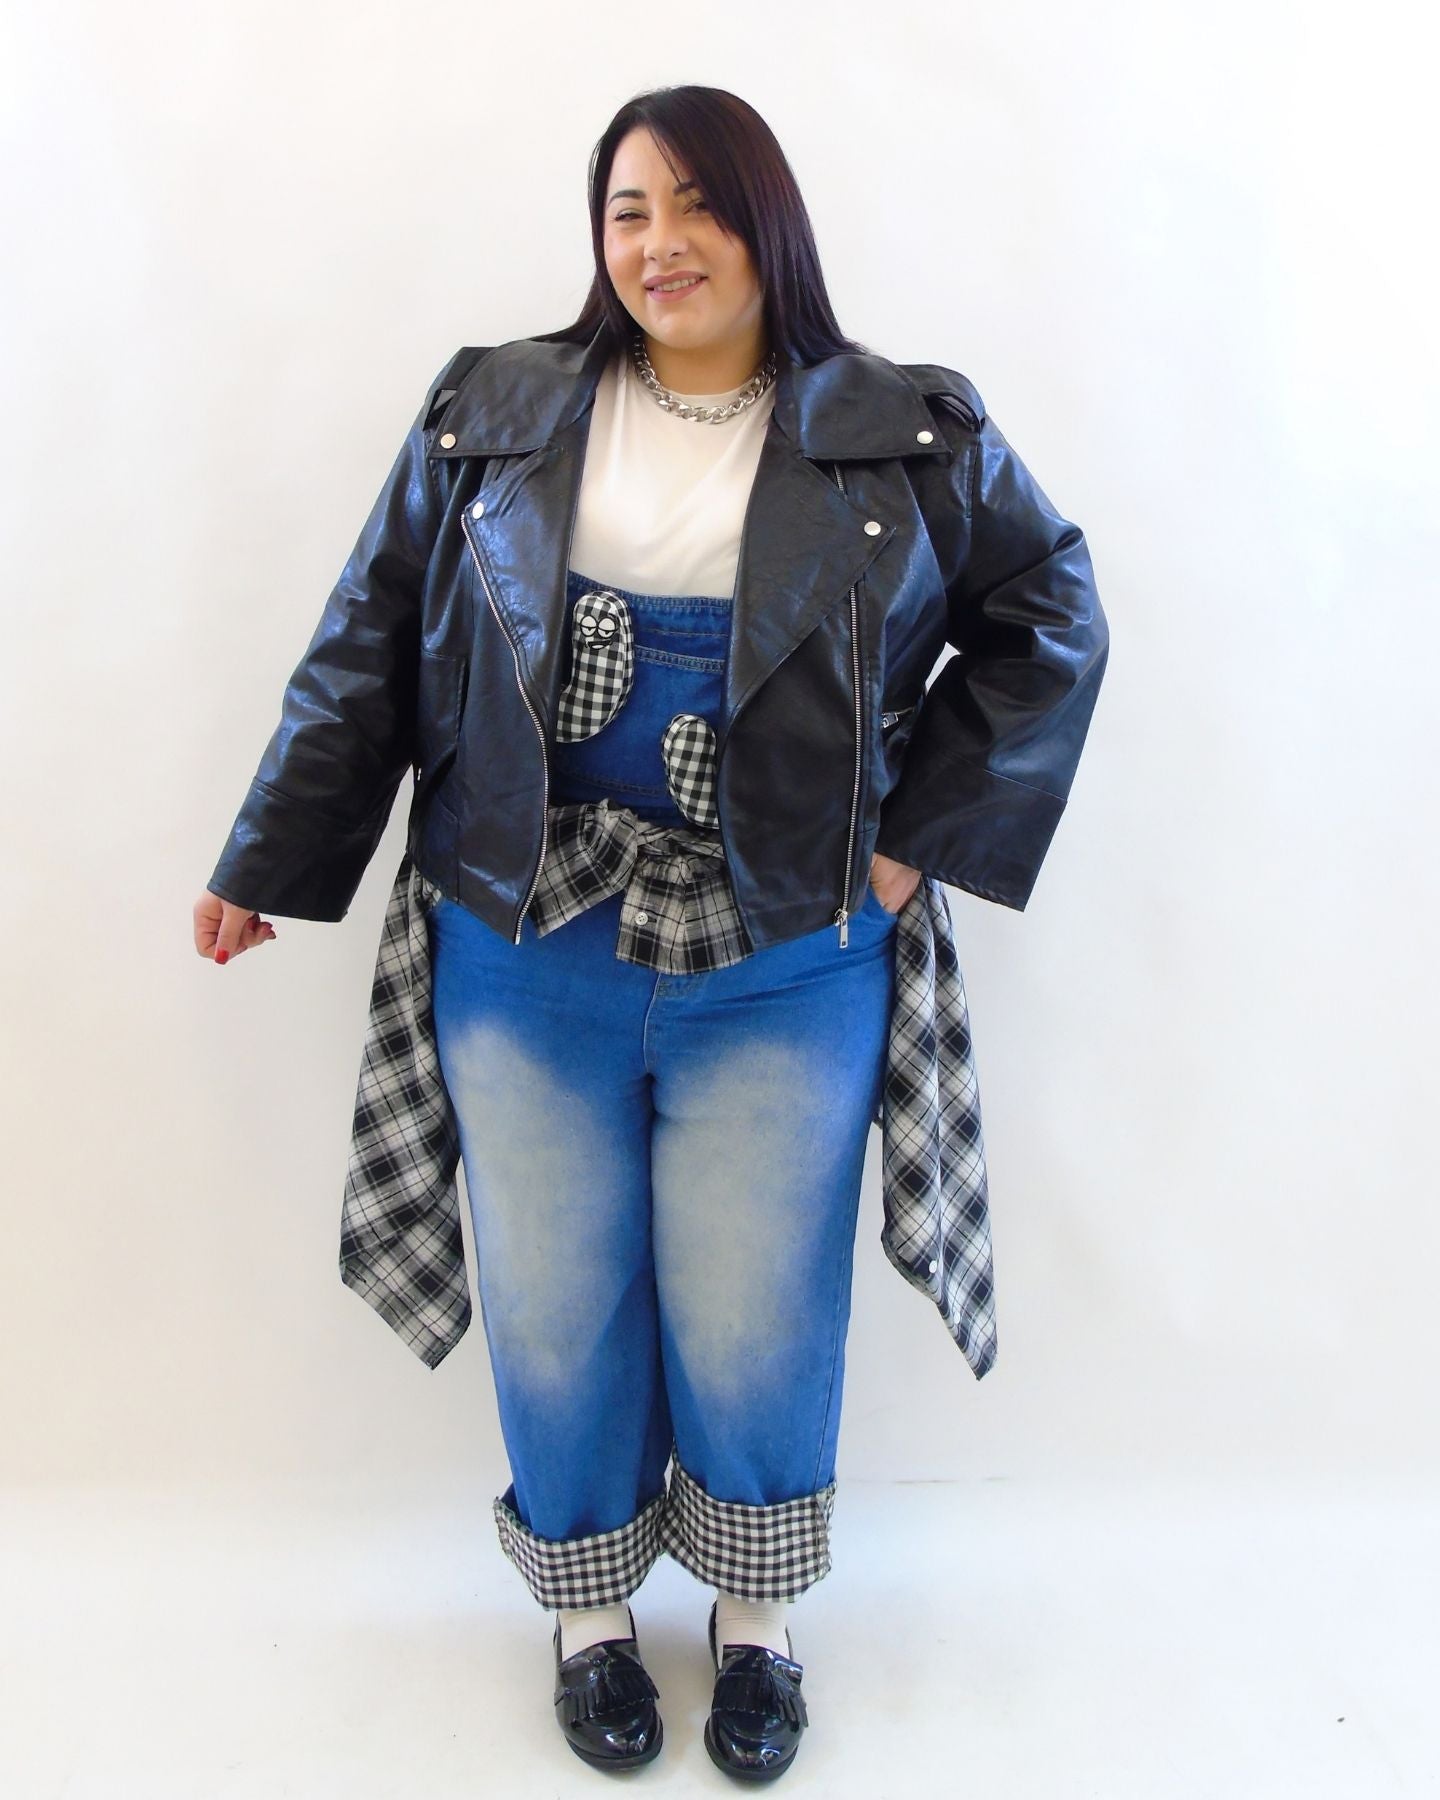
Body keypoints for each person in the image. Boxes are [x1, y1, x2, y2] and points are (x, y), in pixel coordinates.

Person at [193, 85, 1109, 1783]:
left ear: (770, 225)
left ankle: (756, 1625)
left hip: (789, 956)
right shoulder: (491, 411)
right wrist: (272, 854)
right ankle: (589, 1619)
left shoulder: (905, 432)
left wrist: (910, 846)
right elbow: (369, 641)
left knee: (755, 1307)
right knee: (555, 1300)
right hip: (522, 941)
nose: (660, 243)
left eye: (698, 206)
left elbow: (1050, 612)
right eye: (629, 210)